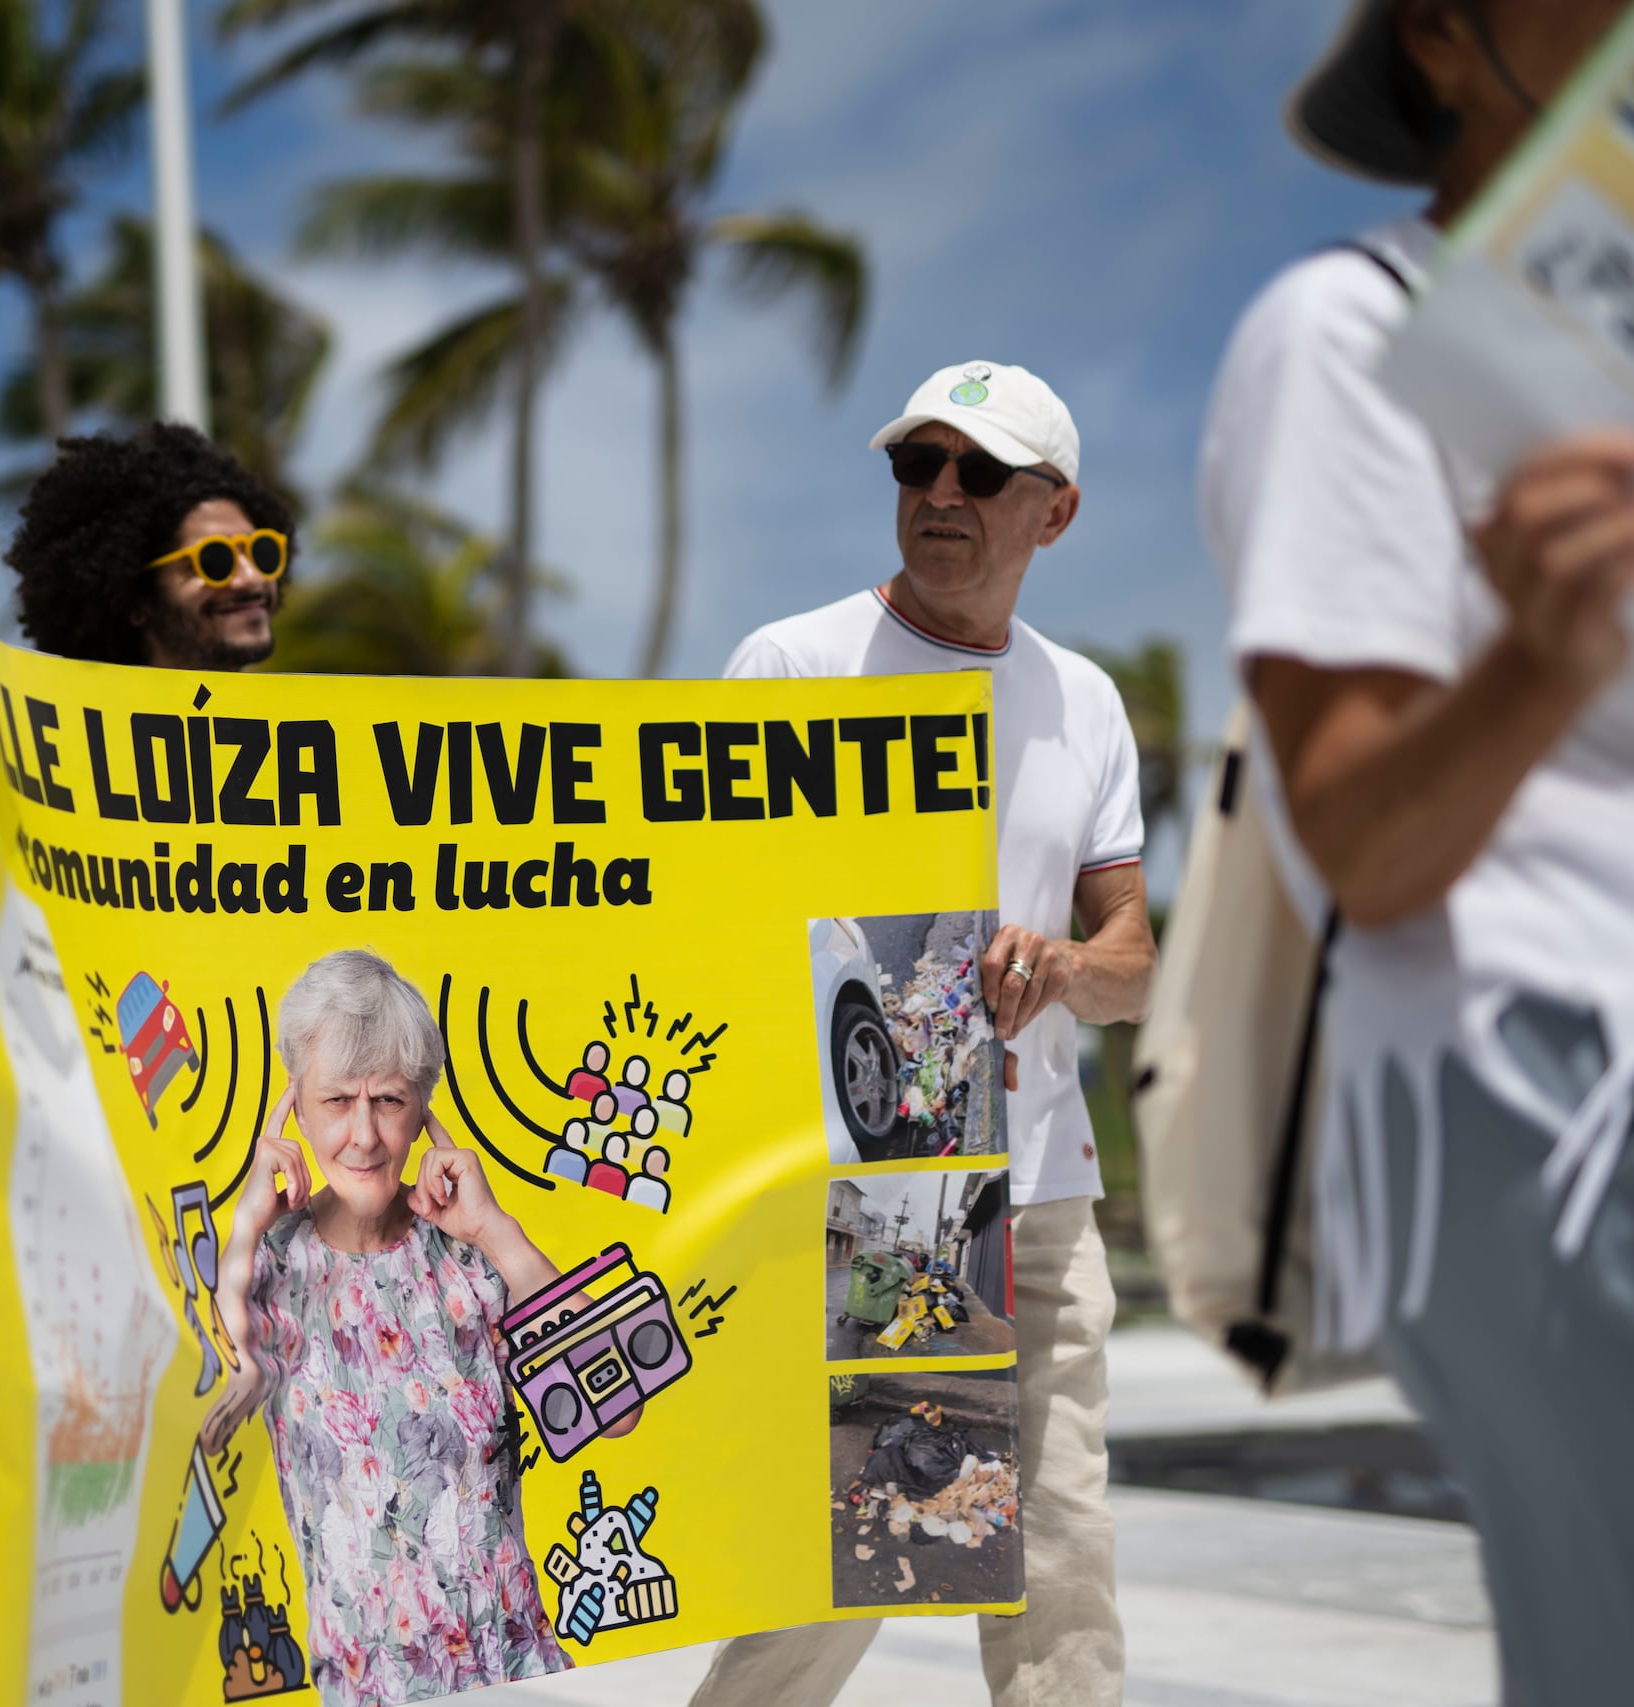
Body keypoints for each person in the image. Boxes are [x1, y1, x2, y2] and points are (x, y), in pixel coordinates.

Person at [1203, 3, 1634, 1697]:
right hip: (1524, 1092)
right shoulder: (1346, 332)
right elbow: (1366, 836)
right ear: (1446, 39)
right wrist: (1539, 654)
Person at [703, 361, 1158, 1707]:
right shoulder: (791, 664)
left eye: (979, 473)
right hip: (866, 1200)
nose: (940, 494)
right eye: (917, 466)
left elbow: (1134, 960)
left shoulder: (1088, 701)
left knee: (1065, 1564)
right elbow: (716, 922)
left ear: (1054, 513)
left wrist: (1067, 965)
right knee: (849, 1563)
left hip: (1047, 1192)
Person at [199, 949, 619, 1706]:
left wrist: (497, 1229)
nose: (363, 1135)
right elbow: (211, 1421)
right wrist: (243, 1226)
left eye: (388, 1099)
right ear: (293, 1104)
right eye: (336, 1100)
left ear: (423, 1106)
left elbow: (616, 1411)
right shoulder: (269, 1266)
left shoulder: (468, 1254)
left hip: (518, 1680)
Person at [4, 421, 292, 669]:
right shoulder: (84, 734)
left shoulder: (306, 729)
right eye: (214, 560)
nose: (252, 578)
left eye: (262, 552)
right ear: (139, 600)